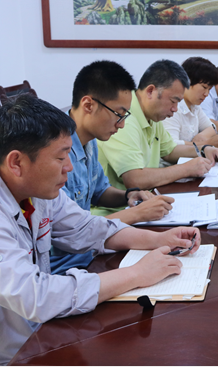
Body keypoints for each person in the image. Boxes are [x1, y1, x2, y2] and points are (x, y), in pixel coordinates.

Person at [0, 95, 201, 365]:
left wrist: (158, 239)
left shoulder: (37, 192)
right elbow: (37, 296)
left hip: (41, 336)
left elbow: (87, 227)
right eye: (60, 157)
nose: (69, 167)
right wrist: (136, 274)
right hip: (14, 354)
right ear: (16, 163)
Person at [50, 61, 176, 275]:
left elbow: (99, 192)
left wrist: (129, 195)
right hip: (68, 264)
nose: (122, 124)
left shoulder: (90, 141)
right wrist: (136, 214)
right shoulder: (56, 154)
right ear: (88, 105)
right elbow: (72, 230)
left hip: (92, 250)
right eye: (119, 114)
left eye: (125, 116)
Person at [97, 60, 218, 196]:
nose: (175, 109)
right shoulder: (125, 120)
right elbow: (134, 180)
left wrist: (204, 150)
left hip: (148, 197)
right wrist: (186, 169)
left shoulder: (152, 115)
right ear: (150, 91)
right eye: (173, 101)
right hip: (121, 205)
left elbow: (170, 151)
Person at [162, 57, 218, 149]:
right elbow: (171, 145)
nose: (206, 94)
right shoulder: (173, 108)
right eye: (204, 87)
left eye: (209, 89)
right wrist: (205, 143)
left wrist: (201, 137)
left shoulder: (194, 106)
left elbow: (212, 127)